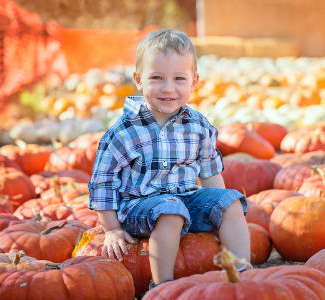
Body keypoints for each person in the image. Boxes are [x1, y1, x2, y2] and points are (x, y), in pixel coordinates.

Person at [88, 29, 250, 287]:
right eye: (156, 78)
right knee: (170, 210)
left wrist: (217, 209)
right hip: (139, 206)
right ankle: (163, 286)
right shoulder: (123, 132)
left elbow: (209, 172)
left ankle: (242, 274)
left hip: (187, 199)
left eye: (179, 79)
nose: (168, 88)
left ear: (194, 81)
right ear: (138, 79)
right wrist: (112, 229)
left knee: (230, 201)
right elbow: (103, 183)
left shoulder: (198, 125)